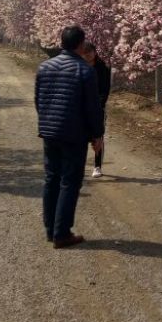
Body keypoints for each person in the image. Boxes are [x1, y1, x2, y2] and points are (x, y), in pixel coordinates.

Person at [35, 24, 104, 248]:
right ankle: (62, 233)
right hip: (73, 134)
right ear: (81, 44)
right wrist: (97, 135)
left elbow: (39, 100)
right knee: (69, 182)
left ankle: (50, 229)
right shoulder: (84, 71)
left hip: (50, 131)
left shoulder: (44, 67)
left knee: (51, 178)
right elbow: (92, 108)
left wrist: (47, 121)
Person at [80, 41, 111, 177]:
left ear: (95, 52)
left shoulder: (102, 67)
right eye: (85, 53)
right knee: (81, 136)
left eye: (89, 52)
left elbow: (105, 89)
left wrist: (98, 105)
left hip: (98, 106)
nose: (87, 56)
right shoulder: (80, 66)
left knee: (97, 136)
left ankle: (97, 166)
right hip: (81, 106)